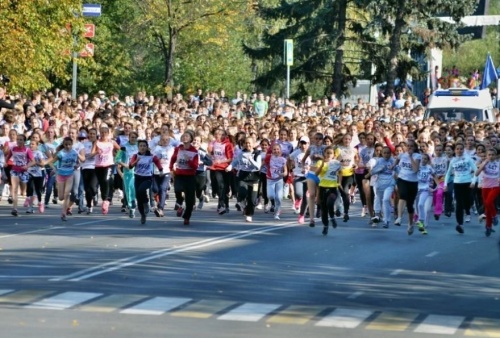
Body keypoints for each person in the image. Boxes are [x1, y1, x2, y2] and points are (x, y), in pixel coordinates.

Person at [47, 137, 86, 221]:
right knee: (61, 197)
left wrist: (77, 165)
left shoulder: (74, 152)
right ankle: (64, 207)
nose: (68, 146)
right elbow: (51, 161)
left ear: (72, 145)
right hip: (61, 175)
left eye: (69, 144)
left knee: (67, 193)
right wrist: (54, 169)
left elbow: (81, 161)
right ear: (63, 145)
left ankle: (64, 213)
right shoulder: (61, 153)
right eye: (66, 144)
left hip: (70, 174)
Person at [128, 140, 164, 225]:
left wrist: (161, 170)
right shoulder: (135, 156)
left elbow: (157, 162)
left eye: (144, 146)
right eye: (140, 146)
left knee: (141, 190)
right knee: (138, 197)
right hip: (138, 177)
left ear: (147, 147)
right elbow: (130, 166)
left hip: (147, 178)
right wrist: (136, 161)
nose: (142, 147)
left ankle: (146, 203)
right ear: (138, 147)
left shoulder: (151, 156)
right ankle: (143, 215)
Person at [227, 136, 262, 222]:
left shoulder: (257, 154)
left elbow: (257, 167)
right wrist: (230, 166)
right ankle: (242, 203)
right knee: (242, 191)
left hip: (254, 178)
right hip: (243, 176)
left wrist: (250, 159)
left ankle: (249, 214)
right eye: (246, 143)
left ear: (253, 144)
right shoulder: (241, 153)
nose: (248, 145)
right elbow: (235, 161)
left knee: (252, 199)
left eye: (250, 143)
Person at [444, 143, 477, 234]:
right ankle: (460, 224)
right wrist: (445, 185)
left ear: (463, 150)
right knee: (459, 204)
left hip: (467, 183)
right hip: (457, 183)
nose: (459, 150)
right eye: (457, 149)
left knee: (467, 202)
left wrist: (473, 181)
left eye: (461, 149)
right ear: (455, 150)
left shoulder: (468, 159)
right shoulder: (453, 161)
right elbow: (448, 173)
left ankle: (468, 210)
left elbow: (476, 171)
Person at [170, 131, 199, 225]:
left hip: (190, 176)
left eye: (187, 136)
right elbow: (173, 159)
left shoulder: (194, 151)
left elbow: (195, 166)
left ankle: (187, 217)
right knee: (177, 189)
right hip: (179, 174)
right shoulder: (178, 148)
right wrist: (171, 169)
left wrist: (189, 160)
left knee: (190, 200)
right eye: (183, 136)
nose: (185, 137)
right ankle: (179, 202)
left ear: (191, 139)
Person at [314, 146, 342, 236]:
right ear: (324, 154)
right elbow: (316, 174)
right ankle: (325, 226)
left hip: (333, 188)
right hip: (322, 187)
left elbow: (341, 172)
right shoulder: (320, 162)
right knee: (324, 209)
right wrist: (322, 164)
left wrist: (339, 182)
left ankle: (332, 218)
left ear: (334, 155)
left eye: (331, 153)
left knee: (330, 203)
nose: (329, 154)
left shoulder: (337, 163)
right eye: (327, 153)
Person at [476, 148, 500, 237]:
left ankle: (494, 216)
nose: (491, 156)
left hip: (495, 186)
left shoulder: (498, 164)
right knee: (487, 207)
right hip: (485, 187)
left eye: (493, 154)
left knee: (489, 202)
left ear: (496, 155)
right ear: (486, 156)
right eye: (489, 155)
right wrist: (483, 164)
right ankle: (488, 226)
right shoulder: (483, 163)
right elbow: (476, 174)